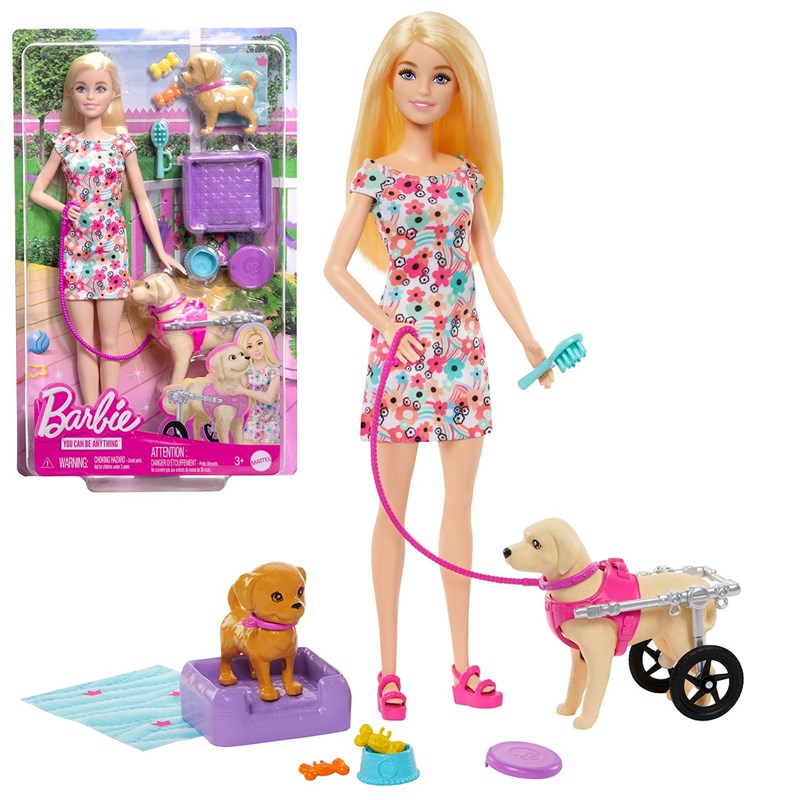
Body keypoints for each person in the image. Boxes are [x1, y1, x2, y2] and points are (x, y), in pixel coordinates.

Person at [324, 12, 554, 721]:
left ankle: (462, 664)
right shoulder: (375, 176)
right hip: (399, 358)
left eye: (441, 76)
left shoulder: (465, 175)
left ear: (461, 88)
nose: (424, 88)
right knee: (393, 511)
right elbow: (335, 268)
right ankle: (390, 670)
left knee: (460, 510)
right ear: (388, 83)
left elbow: (491, 265)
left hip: (462, 357)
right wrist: (387, 324)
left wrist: (529, 341)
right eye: (409, 73)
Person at [30, 51, 184, 405]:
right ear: (72, 93)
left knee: (110, 342)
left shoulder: (121, 145)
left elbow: (142, 200)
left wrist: (162, 253)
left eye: (99, 88)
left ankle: (109, 412)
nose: (90, 96)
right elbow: (37, 191)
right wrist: (64, 208)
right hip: (77, 254)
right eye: (81, 88)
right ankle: (91, 415)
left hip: (112, 254)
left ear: (113, 93)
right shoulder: (65, 145)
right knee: (84, 343)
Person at [235, 323, 282, 445]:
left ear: (266, 343)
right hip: (255, 419)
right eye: (250, 346)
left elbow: (269, 398)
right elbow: (238, 390)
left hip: (272, 420)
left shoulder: (274, 370)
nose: (256, 349)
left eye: (259, 343)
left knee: (269, 452)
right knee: (246, 448)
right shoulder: (248, 371)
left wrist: (244, 391)